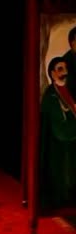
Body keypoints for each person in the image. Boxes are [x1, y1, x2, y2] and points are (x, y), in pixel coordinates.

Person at [38, 56, 76, 213]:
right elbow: (58, 126)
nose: (64, 72)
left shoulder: (69, 90)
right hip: (58, 145)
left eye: (65, 69)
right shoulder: (50, 95)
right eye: (60, 69)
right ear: (52, 73)